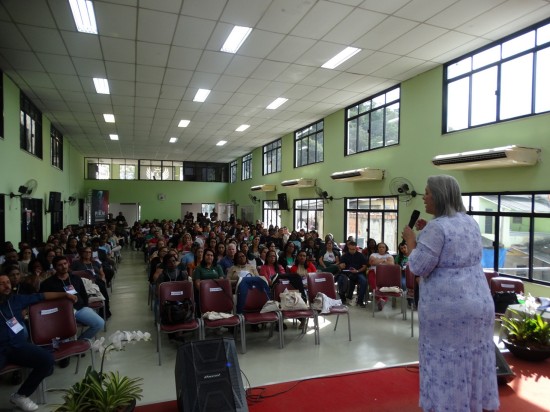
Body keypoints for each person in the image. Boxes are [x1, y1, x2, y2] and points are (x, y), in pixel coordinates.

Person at [402, 175, 499, 412]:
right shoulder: (469, 222)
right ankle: (472, 403)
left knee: (446, 361)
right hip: (479, 302)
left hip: (448, 308)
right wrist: (427, 234)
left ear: (440, 196)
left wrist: (412, 242)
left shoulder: (437, 228)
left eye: (428, 193)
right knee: (472, 358)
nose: (424, 197)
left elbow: (418, 267)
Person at [0, 273, 78, 412]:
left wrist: (65, 295)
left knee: (47, 360)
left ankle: (21, 395)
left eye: (8, 282)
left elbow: (42, 296)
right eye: (2, 284)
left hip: (18, 346)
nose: (7, 286)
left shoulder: (16, 300)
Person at [40, 256, 105, 342]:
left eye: (65, 263)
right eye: (60, 265)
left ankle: (80, 342)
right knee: (65, 339)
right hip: (61, 312)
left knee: (99, 323)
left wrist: (85, 305)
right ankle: (68, 345)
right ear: (55, 267)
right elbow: (43, 300)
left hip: (79, 308)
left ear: (68, 264)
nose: (64, 267)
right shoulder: (47, 283)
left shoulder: (75, 278)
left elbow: (83, 294)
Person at [338, 241, 368, 307]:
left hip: (358, 273)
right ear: (348, 248)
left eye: (353, 249)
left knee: (364, 281)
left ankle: (360, 301)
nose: (352, 251)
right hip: (347, 273)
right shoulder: (345, 256)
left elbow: (364, 266)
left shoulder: (360, 255)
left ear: (356, 248)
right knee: (340, 279)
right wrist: (341, 266)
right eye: (350, 249)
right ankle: (343, 298)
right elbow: (340, 266)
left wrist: (357, 271)